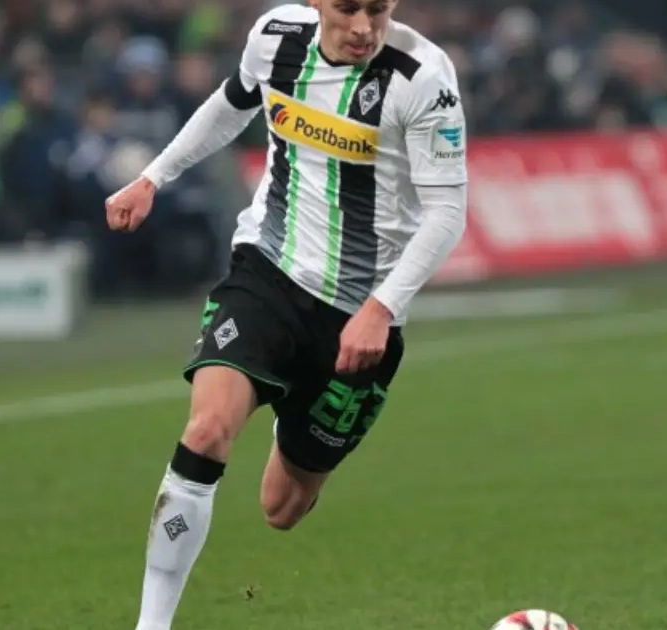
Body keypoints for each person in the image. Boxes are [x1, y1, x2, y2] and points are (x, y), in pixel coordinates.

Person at [103, 1, 468, 629]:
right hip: (267, 274)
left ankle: (290, 408)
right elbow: (233, 101)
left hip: (358, 317)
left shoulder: (422, 77)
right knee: (206, 431)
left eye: (378, 9)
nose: (363, 27)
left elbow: (446, 212)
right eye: (348, 8)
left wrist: (382, 308)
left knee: (283, 507)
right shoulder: (276, 37)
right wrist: (153, 177)